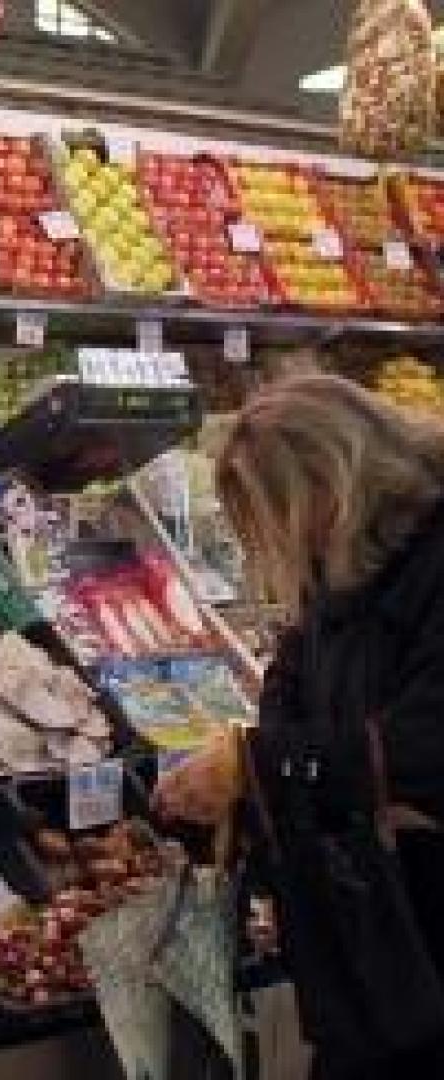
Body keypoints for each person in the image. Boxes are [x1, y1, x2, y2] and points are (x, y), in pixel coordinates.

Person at [155, 373, 444, 1079]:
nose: (279, 550)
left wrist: (267, 765)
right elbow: (290, 686)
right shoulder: (338, 560)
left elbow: (424, 751)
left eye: (278, 519)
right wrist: (243, 775)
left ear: (334, 486)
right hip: (369, 948)